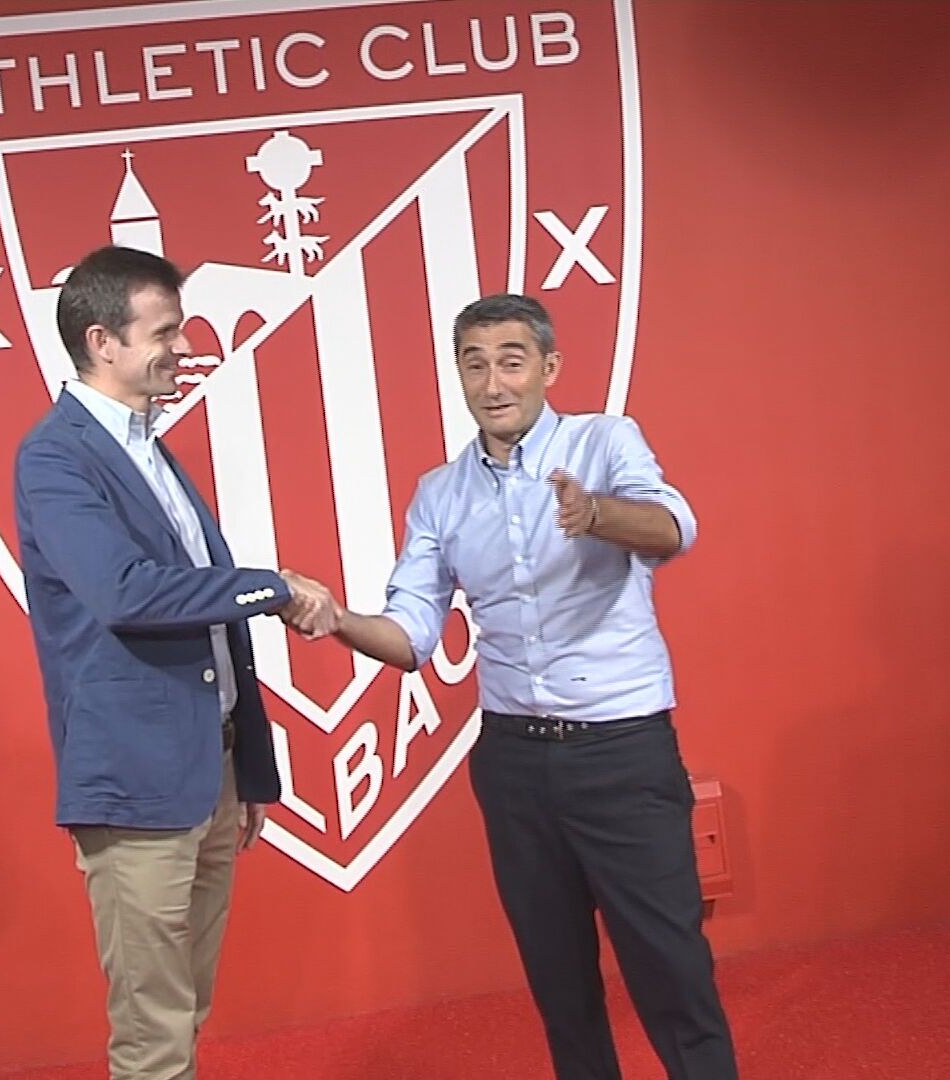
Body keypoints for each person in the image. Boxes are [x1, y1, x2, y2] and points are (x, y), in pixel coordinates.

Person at [291, 293, 739, 1079]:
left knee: (671, 970)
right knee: (560, 983)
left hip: (622, 753)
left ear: (548, 368)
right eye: (475, 364)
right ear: (458, 376)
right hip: (514, 765)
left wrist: (594, 513)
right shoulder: (440, 494)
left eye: (511, 361)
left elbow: (673, 527)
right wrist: (337, 618)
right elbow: (412, 634)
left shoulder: (603, 442)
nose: (493, 382)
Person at [14, 245, 336, 1080]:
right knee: (154, 1034)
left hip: (210, 771)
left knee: (183, 1011)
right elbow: (125, 594)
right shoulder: (56, 457)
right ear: (102, 342)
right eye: (165, 332)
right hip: (137, 781)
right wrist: (270, 587)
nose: (185, 347)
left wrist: (247, 771)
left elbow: (202, 622)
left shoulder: (148, 450)